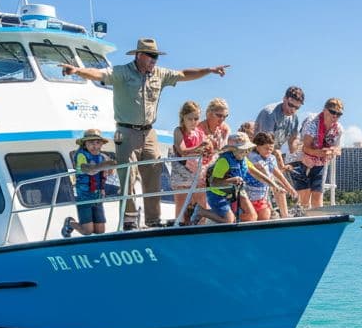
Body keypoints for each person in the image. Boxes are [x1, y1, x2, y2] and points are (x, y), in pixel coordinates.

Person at [59, 38, 228, 230]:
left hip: (149, 132)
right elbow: (98, 74)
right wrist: (77, 70)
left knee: (154, 171)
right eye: (151, 56)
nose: (154, 59)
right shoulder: (121, 72)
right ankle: (130, 220)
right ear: (139, 55)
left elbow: (183, 74)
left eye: (156, 56)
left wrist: (209, 70)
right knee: (128, 173)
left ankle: (153, 219)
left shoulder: (160, 74)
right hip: (126, 130)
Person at [194, 132, 258, 224]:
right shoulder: (223, 161)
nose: (247, 152)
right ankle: (201, 211)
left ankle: (233, 221)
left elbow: (257, 174)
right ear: (233, 150)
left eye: (248, 149)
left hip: (233, 191)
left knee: (252, 216)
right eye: (243, 149)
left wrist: (274, 184)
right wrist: (232, 180)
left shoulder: (243, 159)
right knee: (228, 221)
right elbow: (214, 183)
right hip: (217, 193)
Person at [63, 129, 117, 237]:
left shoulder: (102, 157)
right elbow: (89, 170)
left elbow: (110, 172)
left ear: (101, 144)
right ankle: (70, 222)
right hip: (84, 195)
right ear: (85, 144)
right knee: (87, 231)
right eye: (91, 143)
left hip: (97, 195)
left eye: (98, 142)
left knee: (100, 231)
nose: (95, 146)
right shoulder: (80, 155)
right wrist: (107, 164)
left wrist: (111, 167)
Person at [292, 98, 345, 209]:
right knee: (304, 196)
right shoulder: (312, 122)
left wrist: (331, 151)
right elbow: (305, 148)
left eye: (339, 114)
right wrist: (319, 153)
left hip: (319, 162)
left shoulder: (338, 129)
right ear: (325, 110)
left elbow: (338, 149)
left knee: (317, 194)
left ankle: (318, 220)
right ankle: (302, 220)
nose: (335, 116)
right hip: (299, 159)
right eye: (333, 112)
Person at [254, 85, 305, 175]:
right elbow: (265, 145)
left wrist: (306, 146)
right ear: (284, 99)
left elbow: (292, 145)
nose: (293, 110)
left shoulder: (294, 118)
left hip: (273, 157)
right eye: (290, 105)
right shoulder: (270, 113)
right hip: (257, 156)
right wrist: (281, 164)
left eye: (297, 108)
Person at [247, 132, 296, 221]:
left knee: (280, 190)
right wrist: (276, 186)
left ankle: (285, 217)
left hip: (262, 193)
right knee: (254, 218)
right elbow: (263, 174)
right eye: (266, 148)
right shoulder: (252, 157)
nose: (269, 151)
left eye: (271, 149)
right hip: (249, 193)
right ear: (257, 147)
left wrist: (290, 189)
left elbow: (278, 174)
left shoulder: (270, 157)